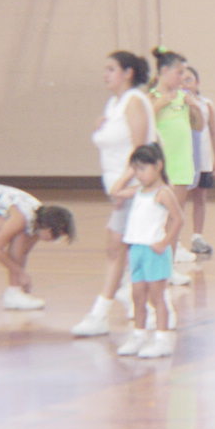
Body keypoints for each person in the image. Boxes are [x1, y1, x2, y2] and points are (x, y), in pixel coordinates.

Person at [72, 50, 160, 337]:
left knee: (118, 247)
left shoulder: (134, 101)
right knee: (124, 249)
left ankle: (102, 312)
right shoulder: (114, 104)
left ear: (128, 73)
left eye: (111, 69)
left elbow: (141, 151)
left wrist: (124, 185)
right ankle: (139, 303)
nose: (105, 74)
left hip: (136, 191)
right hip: (122, 191)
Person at [111, 143, 183, 358]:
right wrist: (129, 172)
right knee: (138, 296)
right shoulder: (139, 191)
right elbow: (115, 191)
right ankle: (139, 335)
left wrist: (165, 243)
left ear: (158, 166)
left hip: (154, 251)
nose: (139, 174)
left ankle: (162, 339)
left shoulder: (163, 193)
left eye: (143, 169)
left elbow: (178, 219)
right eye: (136, 169)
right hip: (137, 249)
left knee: (157, 297)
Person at [0, 183, 75, 309]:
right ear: (48, 228)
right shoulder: (21, 219)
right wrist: (20, 273)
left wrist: (21, 280)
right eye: (56, 236)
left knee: (20, 236)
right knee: (19, 234)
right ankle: (13, 293)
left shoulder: (38, 222)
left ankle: (14, 292)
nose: (54, 240)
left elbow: (23, 252)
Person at [149, 46, 203, 273]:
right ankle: (155, 265)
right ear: (164, 71)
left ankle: (169, 268)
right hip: (161, 167)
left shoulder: (183, 98)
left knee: (175, 217)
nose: (182, 78)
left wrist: (195, 109)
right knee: (157, 218)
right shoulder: (152, 97)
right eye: (178, 72)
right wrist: (159, 104)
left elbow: (198, 126)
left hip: (182, 165)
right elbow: (143, 123)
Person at [182, 66, 215, 255]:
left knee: (200, 198)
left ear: (197, 82)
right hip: (183, 160)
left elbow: (213, 133)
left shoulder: (206, 104)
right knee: (179, 198)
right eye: (182, 80)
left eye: (189, 79)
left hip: (202, 159)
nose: (185, 84)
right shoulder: (175, 104)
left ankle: (197, 236)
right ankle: (174, 239)